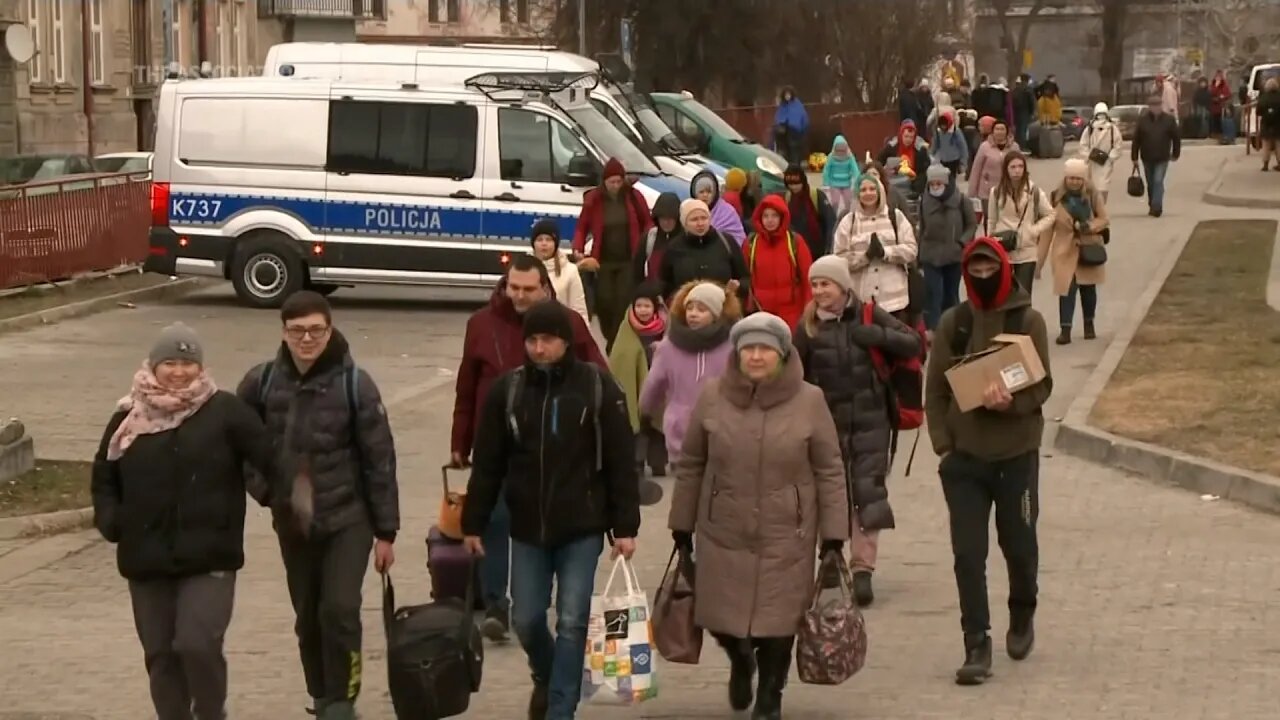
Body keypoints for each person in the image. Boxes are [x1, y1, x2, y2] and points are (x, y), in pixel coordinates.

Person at [461, 300, 641, 720]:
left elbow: (620, 462)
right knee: (525, 619)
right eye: (533, 340)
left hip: (582, 526)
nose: (539, 349)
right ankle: (548, 674)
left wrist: (624, 526)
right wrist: (474, 521)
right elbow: (487, 463)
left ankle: (561, 708)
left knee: (574, 618)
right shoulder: (509, 392)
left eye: (548, 340)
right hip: (526, 527)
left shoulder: (597, 389)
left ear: (566, 342)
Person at [669, 312, 848, 720]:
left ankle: (770, 693)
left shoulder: (809, 400)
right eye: (748, 347)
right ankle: (739, 660)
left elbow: (829, 468)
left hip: (788, 531)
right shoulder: (712, 395)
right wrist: (681, 524)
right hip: (723, 529)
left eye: (765, 348)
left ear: (782, 355)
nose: (755, 355)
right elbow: (693, 461)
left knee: (778, 624)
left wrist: (834, 536)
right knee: (721, 618)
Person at [92, 323, 274, 720]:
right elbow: (105, 473)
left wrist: (292, 494)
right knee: (160, 654)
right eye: (170, 363)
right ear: (153, 367)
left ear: (200, 367)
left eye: (188, 363)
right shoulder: (128, 416)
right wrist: (111, 519)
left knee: (196, 644)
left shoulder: (224, 410)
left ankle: (211, 713)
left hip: (210, 554)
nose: (179, 372)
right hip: (146, 557)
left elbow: (269, 457)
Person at [236, 291, 399, 720]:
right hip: (293, 521)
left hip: (350, 518)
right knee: (308, 615)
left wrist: (387, 532)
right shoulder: (262, 383)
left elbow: (379, 459)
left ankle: (343, 700)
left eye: (316, 330)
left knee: (340, 609)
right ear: (284, 332)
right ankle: (321, 695)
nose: (307, 339)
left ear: (329, 329)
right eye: (297, 331)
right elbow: (236, 445)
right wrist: (266, 492)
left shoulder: (355, 384)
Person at [449, 255, 607, 642]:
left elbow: (600, 378)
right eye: (512, 288)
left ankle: (536, 600)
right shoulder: (480, 325)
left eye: (527, 289)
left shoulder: (569, 324)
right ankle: (496, 606)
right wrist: (460, 439)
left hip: (558, 448)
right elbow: (466, 386)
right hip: (497, 443)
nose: (518, 296)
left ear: (545, 289)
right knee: (495, 520)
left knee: (536, 526)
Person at [925, 236, 1053, 686]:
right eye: (974, 271)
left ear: (1002, 268)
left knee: (1019, 546)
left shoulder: (1028, 320)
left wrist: (1010, 406)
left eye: (988, 270)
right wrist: (944, 442)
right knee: (967, 554)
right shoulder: (954, 323)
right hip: (965, 461)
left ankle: (1023, 612)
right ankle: (976, 643)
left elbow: (1041, 388)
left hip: (1016, 455)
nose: (982, 277)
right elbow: (936, 390)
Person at [794, 257, 920, 606]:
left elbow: (913, 343)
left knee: (868, 492)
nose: (819, 291)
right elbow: (792, 372)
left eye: (826, 284)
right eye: (815, 285)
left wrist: (878, 335)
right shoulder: (806, 327)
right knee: (828, 493)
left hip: (871, 421)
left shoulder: (868, 314)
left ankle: (863, 567)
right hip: (825, 425)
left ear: (843, 286)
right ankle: (831, 557)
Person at [639, 281, 741, 465]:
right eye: (690, 308)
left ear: (717, 314)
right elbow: (653, 383)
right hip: (681, 433)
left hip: (724, 430)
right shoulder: (668, 347)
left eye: (702, 309)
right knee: (688, 485)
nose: (693, 313)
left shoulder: (731, 347)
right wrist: (645, 409)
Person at [572, 157, 653, 351]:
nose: (615, 186)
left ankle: (614, 345)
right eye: (611, 182)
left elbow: (647, 222)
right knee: (605, 301)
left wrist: (648, 243)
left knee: (622, 302)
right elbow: (582, 226)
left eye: (619, 181)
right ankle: (610, 335)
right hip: (603, 262)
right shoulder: (594, 199)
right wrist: (578, 248)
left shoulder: (634, 197)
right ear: (604, 182)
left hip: (628, 260)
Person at [1038, 158, 1110, 345]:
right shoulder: (1055, 197)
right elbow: (1047, 231)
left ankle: (1089, 324)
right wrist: (1039, 262)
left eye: (1078, 179)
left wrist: (1089, 226)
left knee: (1088, 289)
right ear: (1065, 178)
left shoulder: (1092, 194)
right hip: (1064, 249)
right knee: (1066, 290)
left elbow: (1104, 219)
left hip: (1088, 246)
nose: (1075, 182)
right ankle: (1065, 330)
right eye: (1071, 178)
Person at [832, 175, 919, 318]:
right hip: (861, 301)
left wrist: (886, 253)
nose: (868, 193)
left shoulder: (895, 217)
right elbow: (839, 258)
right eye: (863, 190)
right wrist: (864, 257)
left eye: (872, 189)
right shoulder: (849, 221)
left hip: (894, 301)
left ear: (880, 191)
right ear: (857, 194)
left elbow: (911, 249)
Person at [609, 280, 669, 479]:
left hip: (659, 384)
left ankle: (658, 462)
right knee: (639, 424)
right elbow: (620, 355)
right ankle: (637, 461)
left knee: (658, 423)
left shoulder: (665, 329)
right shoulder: (626, 328)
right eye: (639, 306)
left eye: (647, 306)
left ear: (655, 308)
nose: (642, 310)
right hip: (636, 385)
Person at [658, 199, 751, 304]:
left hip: (723, 310)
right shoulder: (674, 248)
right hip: (687, 312)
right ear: (684, 223)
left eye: (704, 218)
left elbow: (745, 278)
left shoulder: (726, 242)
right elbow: (664, 284)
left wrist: (738, 287)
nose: (700, 223)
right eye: (694, 219)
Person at [919, 164, 978, 331]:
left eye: (939, 184)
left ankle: (954, 327)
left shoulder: (960, 200)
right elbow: (921, 227)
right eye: (932, 184)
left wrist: (961, 242)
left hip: (953, 255)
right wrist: (918, 254)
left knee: (951, 294)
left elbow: (971, 224)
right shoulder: (925, 200)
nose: (935, 188)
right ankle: (935, 329)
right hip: (930, 255)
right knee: (933, 294)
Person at [987, 150, 1054, 293]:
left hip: (1027, 250)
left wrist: (1034, 229)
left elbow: (1050, 214)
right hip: (1003, 247)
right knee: (1003, 293)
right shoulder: (996, 192)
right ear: (1006, 169)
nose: (1017, 171)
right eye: (1013, 167)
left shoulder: (1033, 191)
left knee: (1023, 294)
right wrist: (990, 243)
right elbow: (991, 220)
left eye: (1020, 166)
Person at [744, 194, 814, 329]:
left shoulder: (795, 242)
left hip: (792, 311)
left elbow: (807, 276)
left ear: (782, 217)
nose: (770, 220)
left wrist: (808, 305)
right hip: (761, 310)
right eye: (766, 216)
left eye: (774, 215)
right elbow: (746, 276)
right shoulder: (751, 244)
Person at [530, 219, 588, 326]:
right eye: (539, 239)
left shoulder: (570, 271)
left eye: (548, 240)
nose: (544, 244)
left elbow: (579, 309)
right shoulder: (525, 268)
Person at [1131, 94, 1181, 217]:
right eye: (1153, 106)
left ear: (1161, 106)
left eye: (1158, 105)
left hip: (1163, 157)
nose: (1155, 108)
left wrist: (1175, 153)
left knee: (1158, 180)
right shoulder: (1143, 121)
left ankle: (1156, 207)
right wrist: (1134, 157)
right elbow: (1136, 140)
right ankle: (1152, 202)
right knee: (1151, 182)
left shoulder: (1169, 120)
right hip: (1147, 157)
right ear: (1149, 107)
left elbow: (1176, 138)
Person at [783, 163, 837, 259]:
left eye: (797, 183)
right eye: (790, 184)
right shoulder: (788, 198)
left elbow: (830, 221)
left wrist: (829, 247)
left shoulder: (816, 195)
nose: (794, 187)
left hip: (818, 248)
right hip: (796, 249)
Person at [968, 119, 1018, 217]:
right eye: (997, 129)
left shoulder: (1014, 147)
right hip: (987, 191)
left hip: (1009, 189)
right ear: (992, 131)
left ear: (1007, 131)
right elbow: (976, 169)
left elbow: (1021, 167)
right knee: (989, 217)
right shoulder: (984, 147)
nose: (999, 132)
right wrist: (972, 192)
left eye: (1002, 129)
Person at [632, 191, 681, 284]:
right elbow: (637, 271)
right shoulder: (650, 237)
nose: (666, 223)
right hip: (653, 293)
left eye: (670, 218)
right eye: (663, 218)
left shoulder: (686, 239)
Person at [1078, 103, 1123, 201]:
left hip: (1105, 163)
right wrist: (1090, 155)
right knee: (1092, 187)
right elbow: (1083, 145)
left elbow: (1118, 145)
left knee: (1103, 187)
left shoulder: (1112, 129)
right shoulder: (1089, 129)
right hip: (1092, 163)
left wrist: (1110, 158)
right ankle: (1094, 208)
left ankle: (1100, 208)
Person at [691, 169, 747, 246]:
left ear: (715, 192)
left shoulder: (728, 212)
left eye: (709, 192)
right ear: (695, 194)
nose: (705, 195)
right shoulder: (689, 211)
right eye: (701, 192)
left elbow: (739, 239)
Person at [877, 119, 932, 194]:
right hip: (893, 179)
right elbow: (878, 162)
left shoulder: (920, 150)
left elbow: (924, 170)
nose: (908, 140)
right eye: (906, 136)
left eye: (911, 137)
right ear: (901, 135)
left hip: (913, 182)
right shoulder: (891, 147)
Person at [821, 134, 862, 217]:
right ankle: (833, 216)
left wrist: (858, 180)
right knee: (835, 202)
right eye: (838, 150)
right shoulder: (831, 157)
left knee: (848, 201)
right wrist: (826, 181)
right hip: (834, 183)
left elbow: (855, 169)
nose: (840, 152)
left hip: (846, 183)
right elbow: (826, 170)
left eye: (842, 150)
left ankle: (848, 216)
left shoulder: (850, 157)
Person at [774, 86, 811, 166]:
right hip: (784, 132)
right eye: (786, 95)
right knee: (786, 150)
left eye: (789, 94)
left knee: (794, 149)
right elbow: (779, 117)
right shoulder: (782, 105)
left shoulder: (797, 105)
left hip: (795, 132)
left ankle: (795, 165)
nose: (787, 96)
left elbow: (802, 117)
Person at [931, 109, 970, 180]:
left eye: (944, 125)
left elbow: (963, 147)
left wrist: (963, 162)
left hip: (954, 160)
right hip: (942, 159)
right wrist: (931, 155)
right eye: (941, 125)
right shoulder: (938, 132)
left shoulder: (956, 132)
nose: (943, 127)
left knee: (951, 179)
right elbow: (935, 144)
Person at [1257, 77, 1280, 171]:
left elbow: (1258, 111)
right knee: (1279, 143)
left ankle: (1265, 164)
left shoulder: (1263, 97)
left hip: (1266, 123)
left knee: (1266, 144)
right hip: (1278, 123)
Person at [1011, 74, 1037, 148]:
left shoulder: (1016, 89)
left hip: (1016, 112)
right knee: (1023, 130)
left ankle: (1016, 145)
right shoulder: (1028, 89)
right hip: (1025, 112)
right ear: (1027, 80)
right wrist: (1032, 112)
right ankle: (1022, 146)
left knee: (1018, 130)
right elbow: (1031, 101)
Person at [1209, 69, 1233, 136]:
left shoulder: (1224, 85)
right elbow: (1210, 93)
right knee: (1214, 120)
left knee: (1220, 120)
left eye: (1220, 76)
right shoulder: (1212, 84)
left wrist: (1222, 97)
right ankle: (1214, 133)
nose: (1218, 78)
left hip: (1221, 106)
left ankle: (1221, 133)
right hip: (1213, 106)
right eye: (1217, 76)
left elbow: (1228, 94)